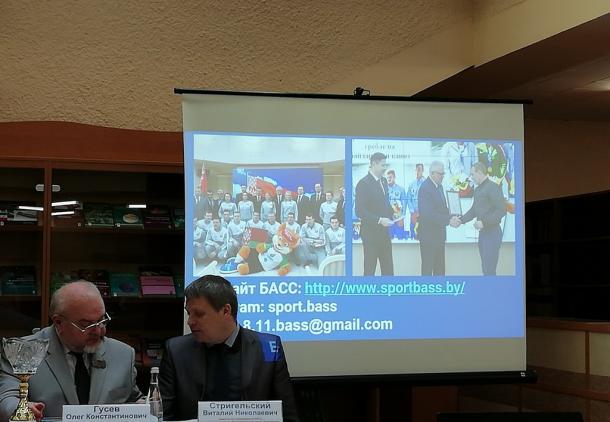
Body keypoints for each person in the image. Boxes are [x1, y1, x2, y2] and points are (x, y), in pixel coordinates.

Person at [159, 275, 299, 422]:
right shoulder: (176, 351)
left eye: (199, 314)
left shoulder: (268, 347)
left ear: (226, 311)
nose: (190, 322)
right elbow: (163, 416)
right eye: (189, 313)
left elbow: (287, 415)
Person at [0, 281, 142, 421]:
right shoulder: (21, 351)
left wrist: (145, 405)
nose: (99, 331)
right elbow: (6, 400)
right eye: (87, 325)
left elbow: (134, 400)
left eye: (101, 321)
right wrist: (21, 409)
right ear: (59, 323)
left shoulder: (123, 354)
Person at [454, 162, 507, 275]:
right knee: (485, 268)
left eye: (472, 174)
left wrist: (484, 222)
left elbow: (501, 210)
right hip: (483, 235)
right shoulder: (478, 190)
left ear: (479, 172)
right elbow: (474, 210)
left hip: (493, 234)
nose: (471, 177)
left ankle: (491, 287)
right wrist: (461, 220)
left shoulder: (493, 187)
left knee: (489, 269)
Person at [354, 152, 394, 276]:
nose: (385, 168)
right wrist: (379, 220)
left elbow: (384, 204)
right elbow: (359, 211)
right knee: (369, 271)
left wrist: (393, 212)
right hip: (370, 235)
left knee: (388, 270)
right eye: (383, 165)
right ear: (374, 164)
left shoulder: (384, 181)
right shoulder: (363, 183)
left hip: (384, 234)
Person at [417, 161, 456, 276]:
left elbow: (442, 209)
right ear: (432, 173)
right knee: (428, 270)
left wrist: (453, 215)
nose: (442, 176)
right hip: (428, 238)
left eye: (443, 174)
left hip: (439, 236)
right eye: (440, 174)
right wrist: (448, 220)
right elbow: (428, 214)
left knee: (440, 270)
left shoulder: (440, 187)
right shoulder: (425, 188)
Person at [406, 164, 425, 239]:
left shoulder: (426, 183)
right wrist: (412, 210)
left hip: (423, 213)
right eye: (416, 170)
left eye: (419, 170)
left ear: (423, 171)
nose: (417, 172)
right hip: (413, 213)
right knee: (413, 232)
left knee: (422, 233)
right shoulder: (411, 184)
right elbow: (408, 198)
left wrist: (421, 210)